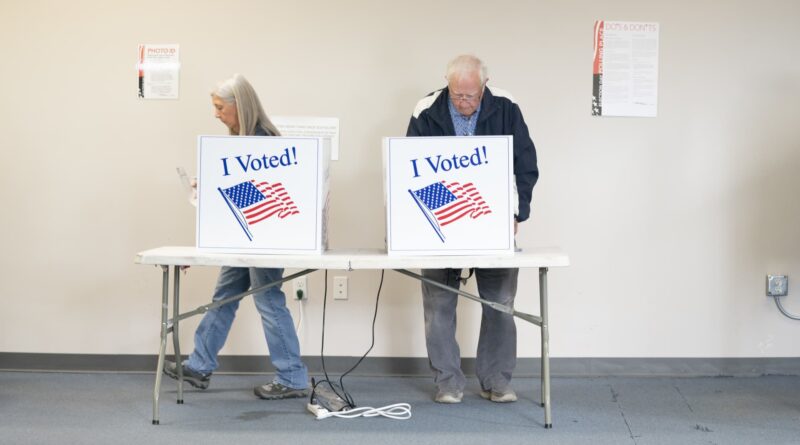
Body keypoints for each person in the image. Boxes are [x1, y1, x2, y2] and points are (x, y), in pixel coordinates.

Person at [163, 74, 309, 400]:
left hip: (264, 241)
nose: (216, 114)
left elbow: (263, 195)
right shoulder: (243, 139)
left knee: (269, 303)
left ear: (239, 106)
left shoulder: (265, 140)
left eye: (219, 107)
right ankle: (200, 366)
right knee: (225, 296)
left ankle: (293, 377)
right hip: (243, 238)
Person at [406, 55, 539, 404]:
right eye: (457, 95)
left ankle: (496, 380)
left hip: (492, 219)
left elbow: (526, 165)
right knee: (438, 303)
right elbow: (408, 168)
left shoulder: (507, 106)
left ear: (485, 86)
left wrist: (516, 214)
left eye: (470, 96)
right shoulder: (426, 109)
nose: (464, 103)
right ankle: (448, 382)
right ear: (447, 85)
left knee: (500, 303)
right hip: (441, 221)